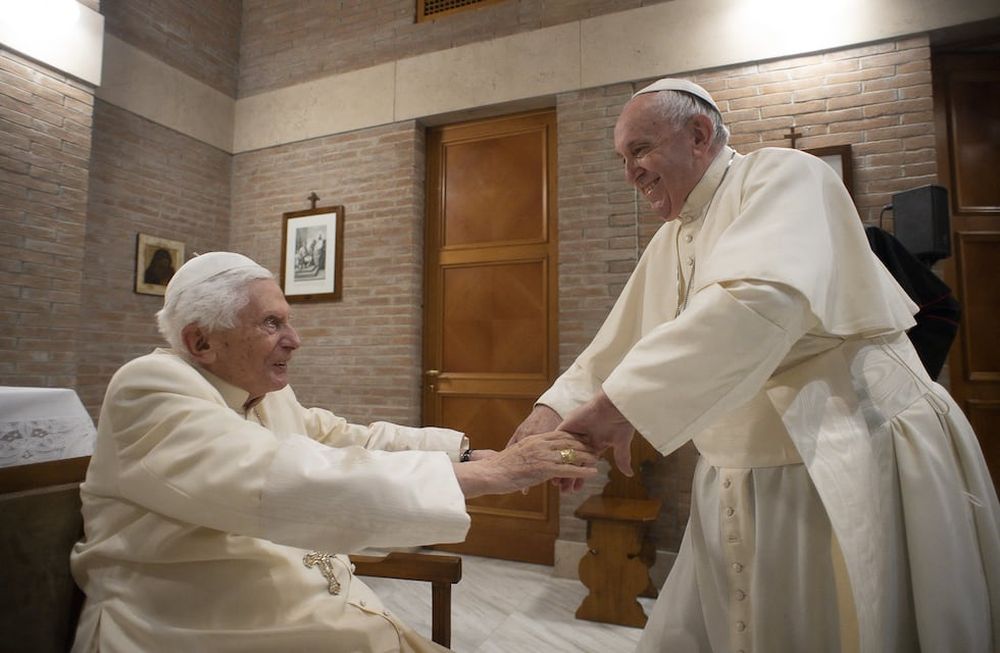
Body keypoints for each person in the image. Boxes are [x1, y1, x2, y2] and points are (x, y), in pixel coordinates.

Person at [510, 79, 1000, 652]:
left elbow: (757, 302)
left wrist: (615, 410)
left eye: (639, 151)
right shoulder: (671, 239)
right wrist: (551, 412)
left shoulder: (785, 176)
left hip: (845, 451)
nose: (630, 175)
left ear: (698, 135)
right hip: (738, 473)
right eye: (623, 159)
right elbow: (616, 345)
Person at [71, 251, 597, 653]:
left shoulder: (262, 393)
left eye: (288, 321)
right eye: (272, 324)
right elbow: (284, 478)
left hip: (310, 620)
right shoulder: (149, 387)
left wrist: (467, 454)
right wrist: (490, 477)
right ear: (201, 342)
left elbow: (343, 437)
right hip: (197, 629)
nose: (294, 339)